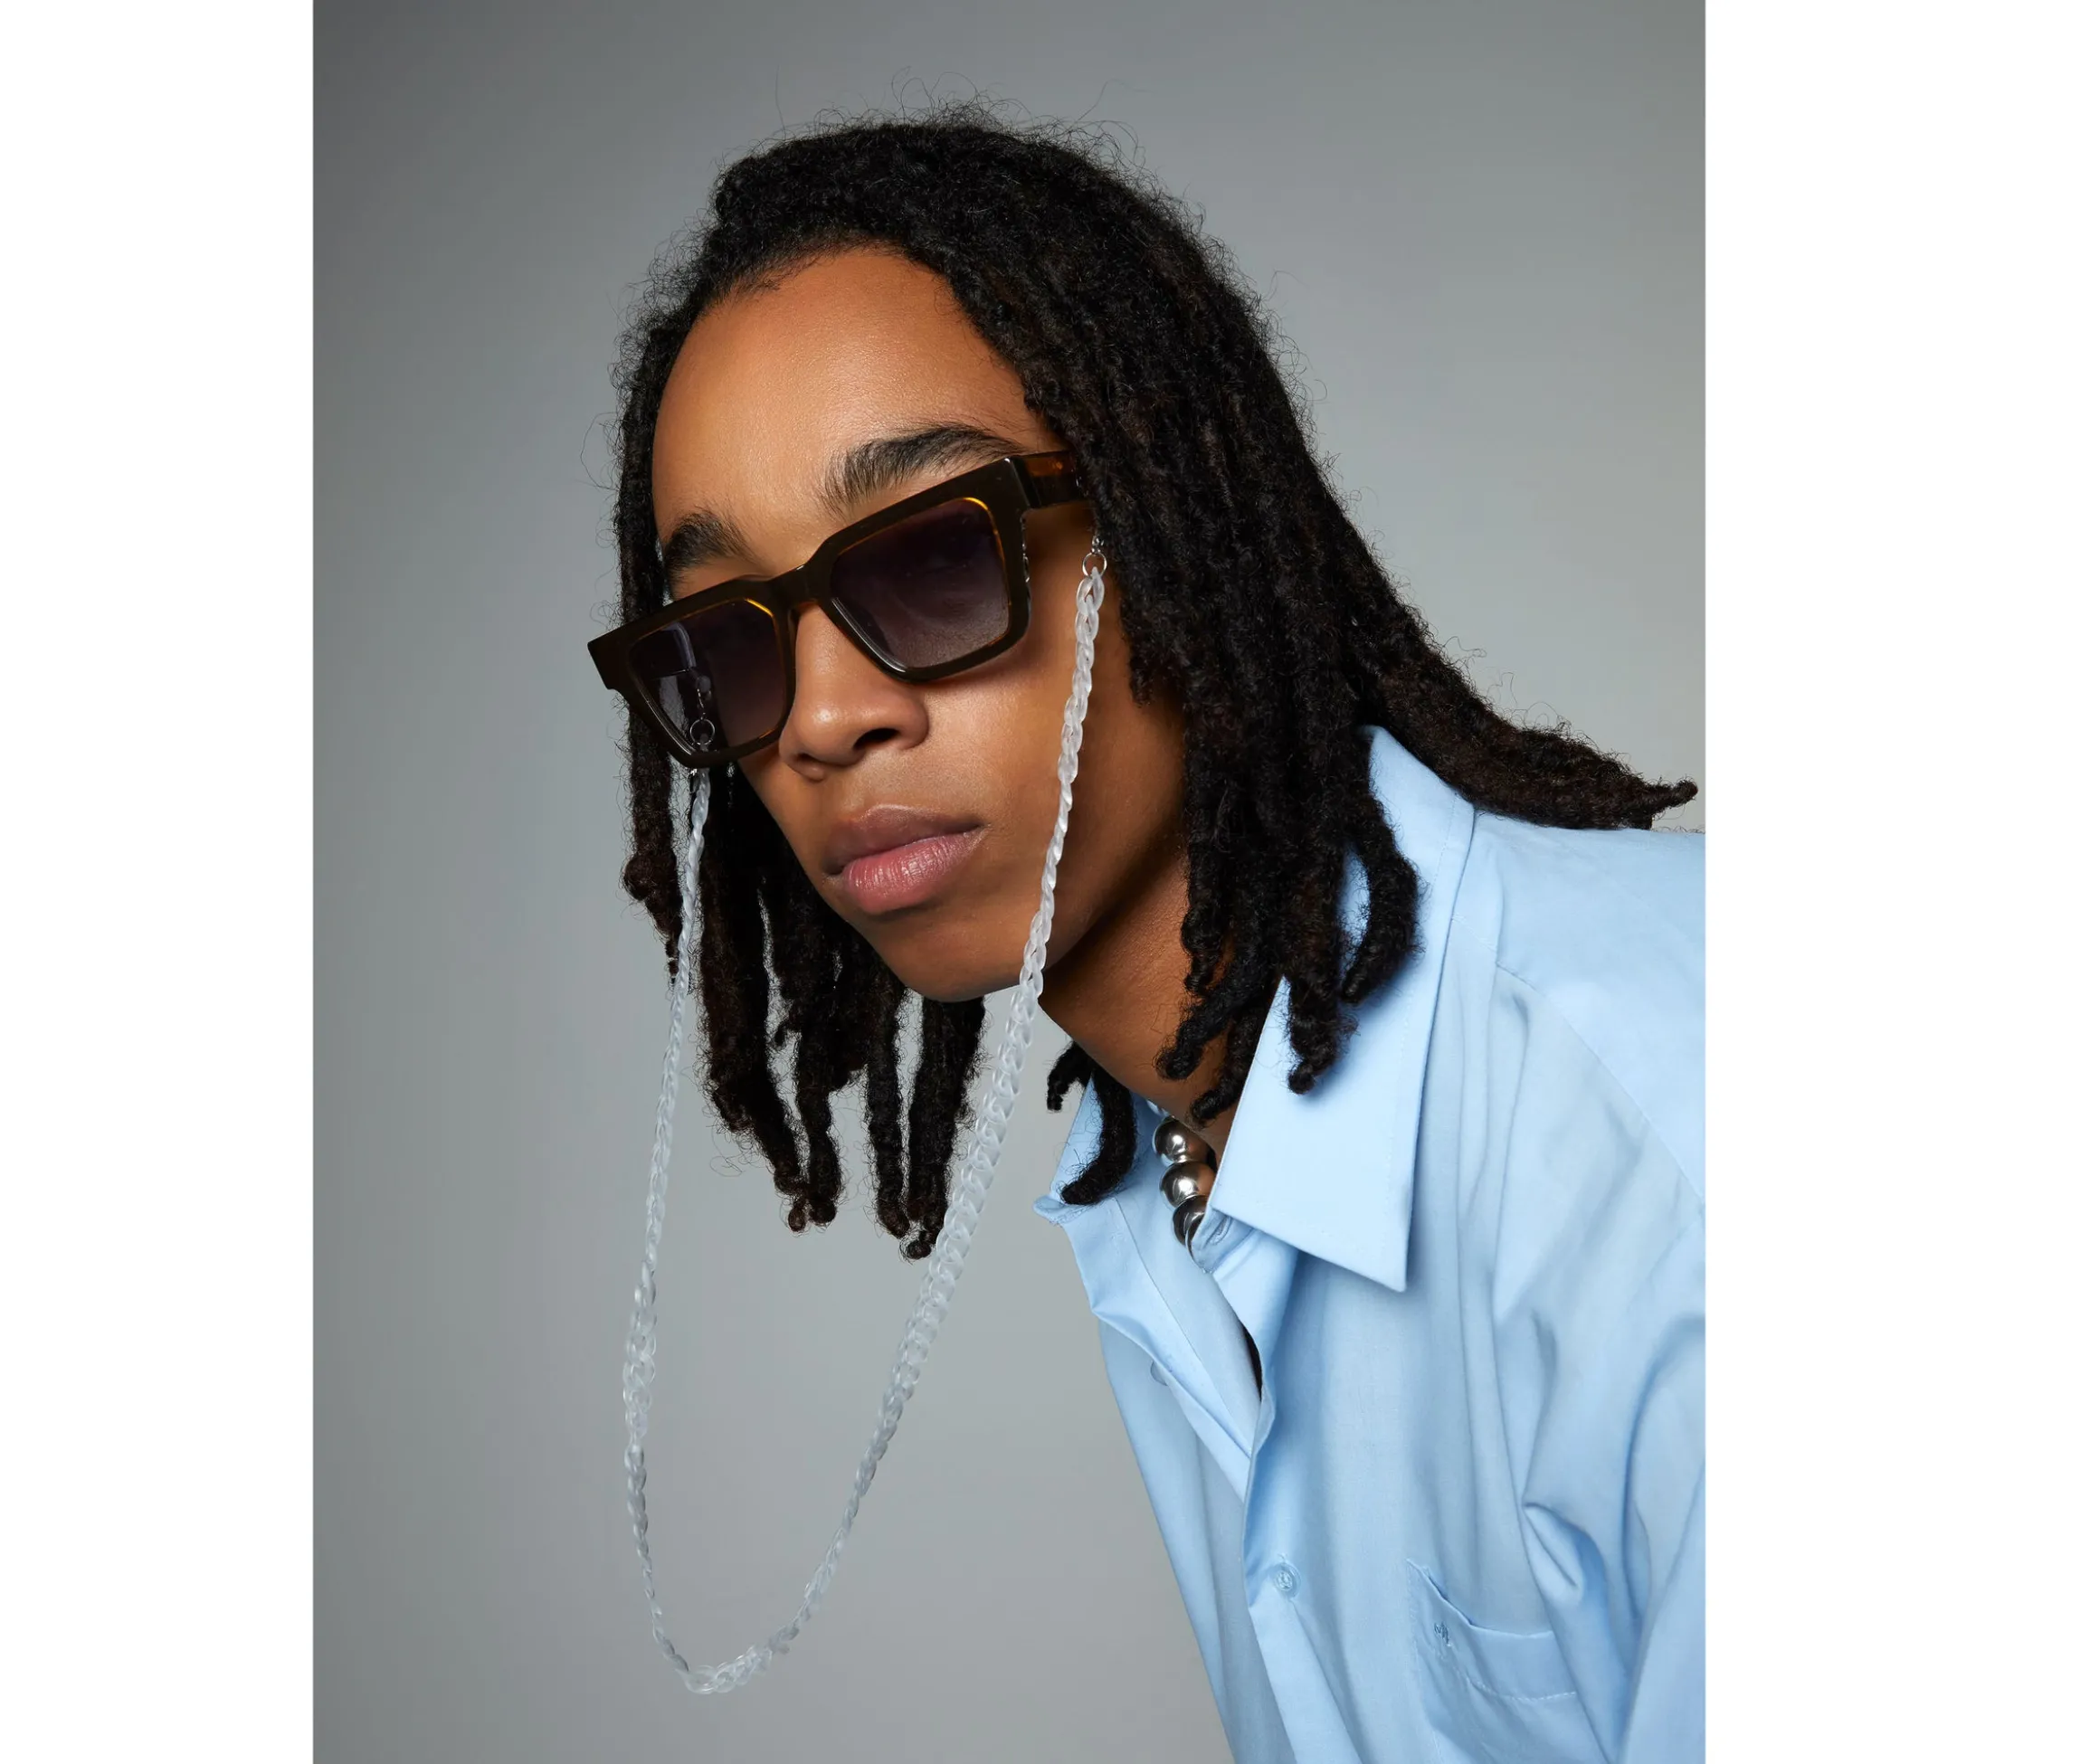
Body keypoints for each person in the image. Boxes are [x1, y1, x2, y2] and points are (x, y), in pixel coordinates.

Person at [590, 108, 1704, 1764]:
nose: (819, 719)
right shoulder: (1169, 1154)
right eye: (727, 638)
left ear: (1178, 524)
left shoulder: (1661, 1123)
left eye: (931, 558)